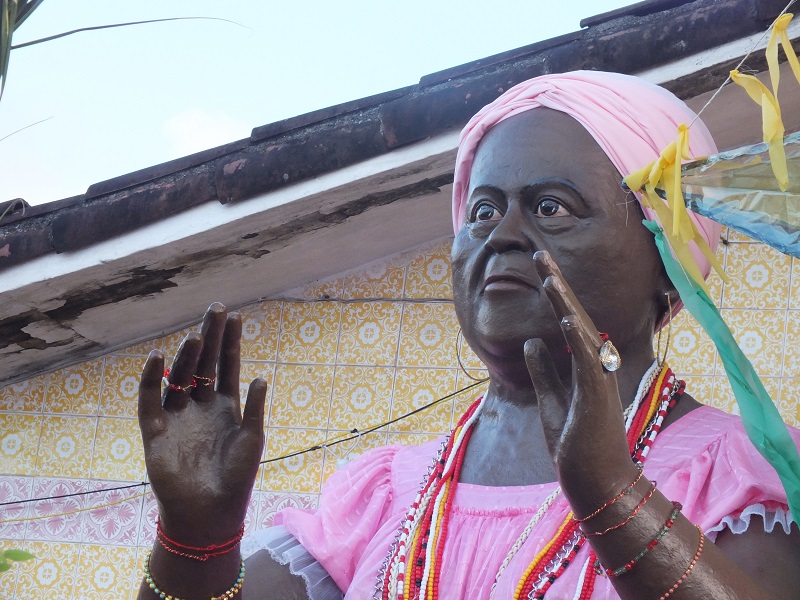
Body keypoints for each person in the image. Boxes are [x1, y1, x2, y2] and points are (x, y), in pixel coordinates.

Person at [136, 71, 800, 600]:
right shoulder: (384, 495)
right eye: (482, 210)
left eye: (550, 207)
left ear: (669, 272)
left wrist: (615, 498)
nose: (500, 235)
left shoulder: (740, 477)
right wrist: (196, 540)